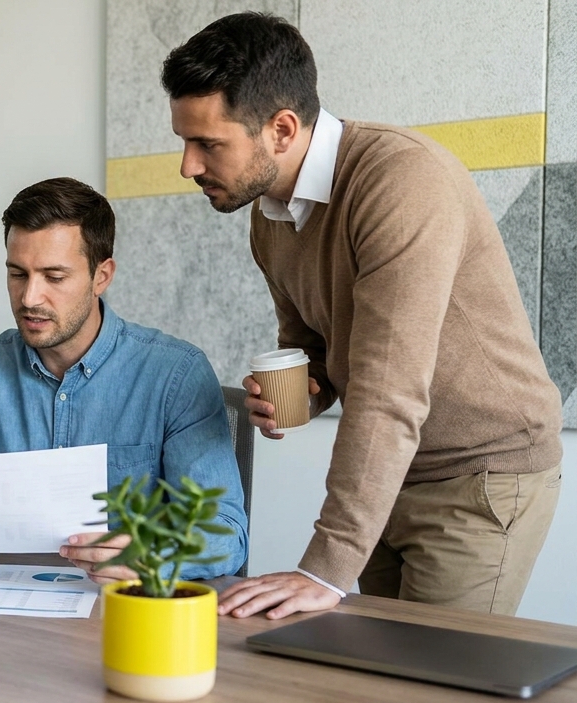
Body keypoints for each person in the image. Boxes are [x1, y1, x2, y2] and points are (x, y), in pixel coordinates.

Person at [163, 13, 564, 619]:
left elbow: (388, 387)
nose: (188, 166)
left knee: (434, 693)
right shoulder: (268, 211)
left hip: (481, 476)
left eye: (208, 144)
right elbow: (316, 348)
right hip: (389, 471)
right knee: (378, 680)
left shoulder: (401, 181)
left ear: (282, 128)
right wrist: (300, 392)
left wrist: (323, 568)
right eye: (184, 142)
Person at [0, 177, 248, 581]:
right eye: (18, 274)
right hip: (4, 609)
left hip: (122, 614)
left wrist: (148, 553)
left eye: (54, 277)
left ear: (101, 276)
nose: (29, 298)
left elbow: (226, 535)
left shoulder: (175, 374)